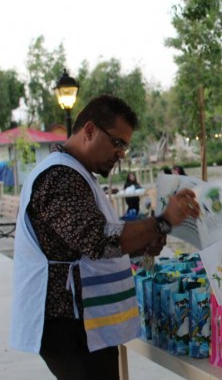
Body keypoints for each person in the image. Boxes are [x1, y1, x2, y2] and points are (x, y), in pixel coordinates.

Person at [10, 95, 200, 380]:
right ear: (89, 130)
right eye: (117, 143)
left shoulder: (77, 173)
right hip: (68, 325)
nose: (121, 153)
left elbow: (96, 239)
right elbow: (97, 239)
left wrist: (148, 238)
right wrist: (161, 221)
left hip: (83, 325)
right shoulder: (59, 176)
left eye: (125, 146)